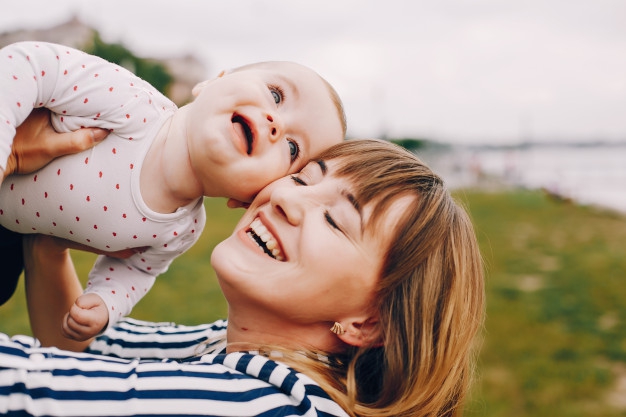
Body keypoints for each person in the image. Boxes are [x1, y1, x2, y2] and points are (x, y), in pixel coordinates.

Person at [0, 118, 485, 417]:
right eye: (302, 177)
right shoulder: (237, 345)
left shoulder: (267, 406)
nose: (286, 201)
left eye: (336, 221)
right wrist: (49, 230)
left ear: (368, 321)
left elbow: (22, 387)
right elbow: (85, 344)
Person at [0, 41, 346, 341]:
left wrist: (107, 301)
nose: (276, 123)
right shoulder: (130, 103)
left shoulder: (182, 230)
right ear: (213, 82)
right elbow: (30, 64)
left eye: (292, 149)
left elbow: (137, 270)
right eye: (275, 95)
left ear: (248, 199)